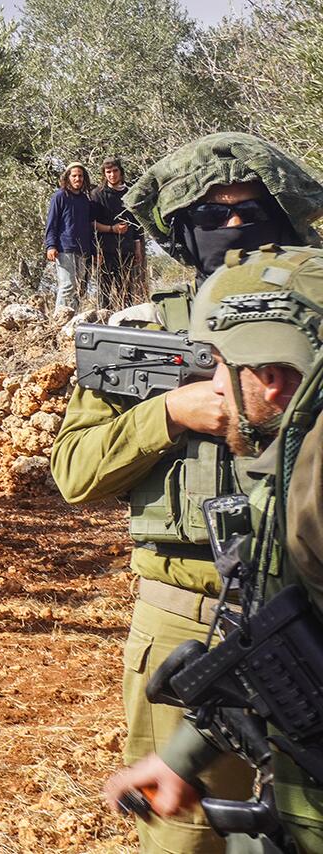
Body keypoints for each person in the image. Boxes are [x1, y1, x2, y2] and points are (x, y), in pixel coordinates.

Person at [54, 132, 323, 854]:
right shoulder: (142, 336)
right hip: (186, 616)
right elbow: (73, 473)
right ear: (179, 230)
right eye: (212, 211)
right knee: (187, 834)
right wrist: (169, 415)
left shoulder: (314, 318)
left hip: (309, 608)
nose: (234, 226)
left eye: (251, 210)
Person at [101, 246, 323, 851]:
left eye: (221, 366)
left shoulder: (312, 480)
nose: (213, 387)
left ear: (272, 379)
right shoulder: (296, 460)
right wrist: (180, 758)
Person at [95, 157, 146, 309]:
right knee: (104, 292)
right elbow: (92, 224)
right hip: (105, 251)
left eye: (115, 171)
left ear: (121, 172)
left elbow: (136, 223)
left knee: (126, 291)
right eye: (108, 172)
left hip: (127, 250)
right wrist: (112, 229)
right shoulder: (98, 194)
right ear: (104, 174)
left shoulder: (131, 193)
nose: (112, 175)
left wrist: (137, 248)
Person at [47, 162, 99, 312]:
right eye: (74, 176)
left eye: (80, 176)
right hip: (65, 248)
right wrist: (51, 245)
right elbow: (52, 222)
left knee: (78, 287)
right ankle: (59, 320)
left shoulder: (84, 200)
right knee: (67, 285)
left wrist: (93, 251)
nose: (78, 179)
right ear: (68, 177)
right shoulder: (59, 196)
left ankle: (73, 319)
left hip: (82, 249)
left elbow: (89, 227)